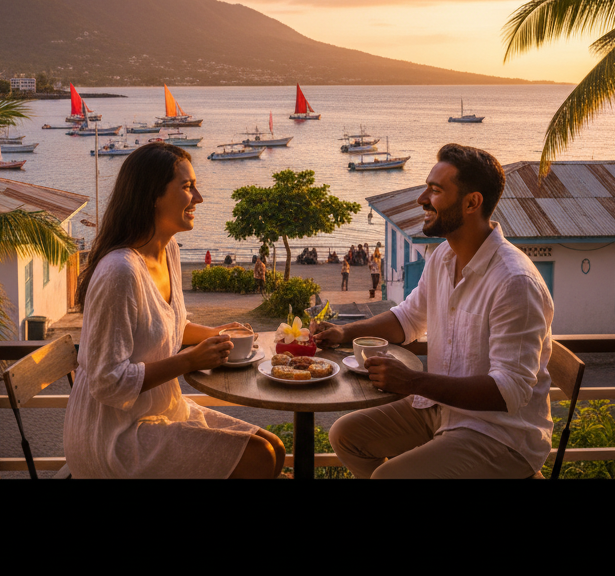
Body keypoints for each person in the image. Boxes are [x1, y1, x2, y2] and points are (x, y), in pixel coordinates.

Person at [313, 143, 553, 479]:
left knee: (388, 478)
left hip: (500, 434)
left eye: (435, 190)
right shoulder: (443, 257)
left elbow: (510, 390)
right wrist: (343, 332)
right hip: (442, 410)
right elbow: (408, 319)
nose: (422, 198)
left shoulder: (514, 282)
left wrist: (413, 381)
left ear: (472, 203)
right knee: (345, 435)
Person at [64, 142, 285, 479]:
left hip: (160, 410)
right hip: (114, 433)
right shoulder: (120, 272)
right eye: (187, 187)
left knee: (275, 448)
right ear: (153, 195)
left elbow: (167, 324)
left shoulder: (169, 252)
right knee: (259, 457)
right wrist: (190, 361)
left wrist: (216, 335)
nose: (199, 198)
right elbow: (106, 382)